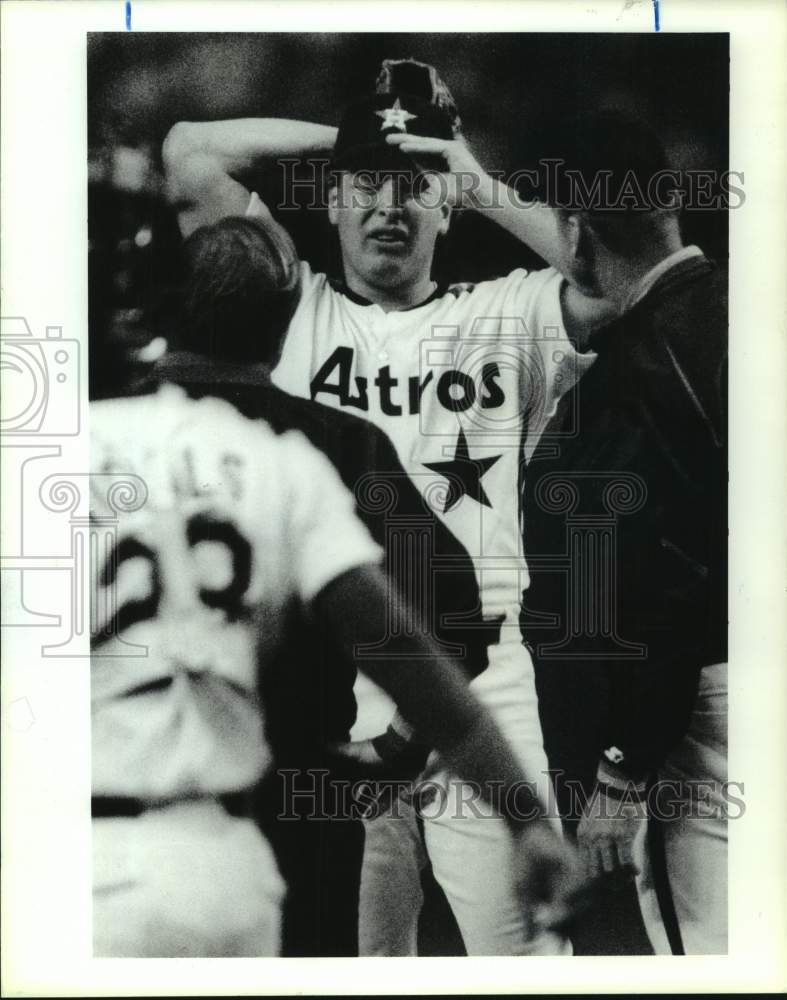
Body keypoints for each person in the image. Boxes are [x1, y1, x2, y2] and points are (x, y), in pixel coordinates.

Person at [162, 66, 610, 956]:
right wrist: (360, 142)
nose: (388, 206)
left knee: (517, 953)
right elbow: (189, 153)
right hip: (337, 676)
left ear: (447, 207)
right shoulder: (291, 303)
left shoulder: (511, 308)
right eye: (366, 186)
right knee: (357, 957)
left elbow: (610, 282)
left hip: (481, 675)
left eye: (414, 188)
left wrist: (467, 172)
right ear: (331, 201)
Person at [90, 382, 588, 957]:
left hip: (75, 850)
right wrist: (523, 815)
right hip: (229, 854)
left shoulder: (35, 450)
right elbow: (422, 635)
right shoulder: (279, 450)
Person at [144, 208, 494, 955]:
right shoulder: (331, 443)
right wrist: (401, 744)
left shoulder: (83, 430)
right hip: (296, 802)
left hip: (113, 800)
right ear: (292, 309)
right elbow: (453, 609)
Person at [520, 109, 728, 955]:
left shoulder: (632, 375)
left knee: (714, 950)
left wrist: (622, 764)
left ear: (575, 234)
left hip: (701, 708)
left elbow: (663, 589)